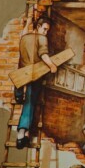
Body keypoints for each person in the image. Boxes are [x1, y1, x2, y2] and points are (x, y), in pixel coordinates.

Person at [14, 17, 58, 148]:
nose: (45, 32)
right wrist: (51, 65)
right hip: (33, 75)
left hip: (21, 74)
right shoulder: (42, 38)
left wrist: (27, 23)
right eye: (44, 29)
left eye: (47, 30)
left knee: (22, 91)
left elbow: (23, 33)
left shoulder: (24, 37)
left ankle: (18, 94)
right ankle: (22, 134)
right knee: (29, 103)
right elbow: (43, 54)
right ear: (38, 26)